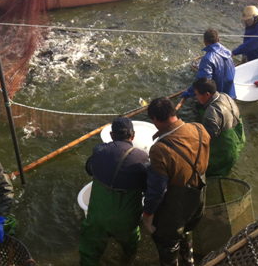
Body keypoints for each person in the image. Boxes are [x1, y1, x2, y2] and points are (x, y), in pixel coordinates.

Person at [143, 98, 210, 266]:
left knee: (166, 241)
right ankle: (189, 261)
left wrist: (148, 216)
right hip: (199, 199)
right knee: (187, 229)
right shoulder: (199, 129)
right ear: (174, 112)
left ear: (156, 119)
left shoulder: (160, 149)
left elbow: (157, 190)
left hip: (176, 208)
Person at [79, 117, 149, 265]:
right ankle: (127, 261)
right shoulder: (142, 158)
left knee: (89, 251)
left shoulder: (98, 151)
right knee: (130, 245)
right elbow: (148, 188)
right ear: (133, 135)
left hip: (99, 216)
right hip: (127, 218)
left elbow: (89, 170)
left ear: (111, 135)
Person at [192, 77, 245, 177]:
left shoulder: (212, 112)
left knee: (212, 172)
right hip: (239, 139)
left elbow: (207, 138)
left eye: (197, 94)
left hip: (225, 151)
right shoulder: (224, 95)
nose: (196, 97)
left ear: (207, 94)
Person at [182, 28, 236, 101]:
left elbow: (203, 81)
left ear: (205, 42)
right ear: (218, 40)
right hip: (229, 95)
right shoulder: (228, 53)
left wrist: (190, 91)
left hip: (216, 98)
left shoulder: (208, 59)